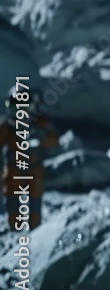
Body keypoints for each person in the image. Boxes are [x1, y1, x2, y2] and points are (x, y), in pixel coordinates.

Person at [2, 90, 59, 231]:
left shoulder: (41, 123)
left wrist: (41, 137)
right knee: (13, 201)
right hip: (14, 168)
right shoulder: (7, 126)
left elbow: (54, 140)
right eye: (17, 108)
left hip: (35, 168)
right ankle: (16, 228)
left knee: (34, 201)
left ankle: (35, 229)